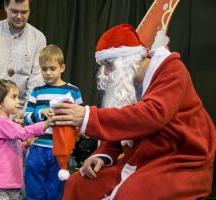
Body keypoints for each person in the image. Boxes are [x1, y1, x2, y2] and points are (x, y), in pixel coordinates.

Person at [51, 24, 216, 199]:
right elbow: (121, 127)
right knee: (78, 184)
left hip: (178, 158)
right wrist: (103, 154)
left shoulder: (172, 71)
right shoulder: (128, 84)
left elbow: (152, 115)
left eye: (108, 64)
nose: (105, 72)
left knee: (128, 195)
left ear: (126, 59)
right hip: (141, 157)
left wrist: (88, 116)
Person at [0, 0, 46, 144]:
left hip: (19, 107)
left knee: (16, 157)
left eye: (24, 12)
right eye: (14, 11)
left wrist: (27, 110)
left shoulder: (38, 38)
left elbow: (36, 78)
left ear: (30, 10)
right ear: (5, 8)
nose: (19, 16)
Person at [23, 44, 83, 200]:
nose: (48, 73)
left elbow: (81, 118)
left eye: (52, 68)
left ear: (62, 68)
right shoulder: (37, 91)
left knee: (55, 191)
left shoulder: (73, 91)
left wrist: (73, 138)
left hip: (60, 150)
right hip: (37, 148)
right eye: (44, 69)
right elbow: (26, 118)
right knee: (34, 190)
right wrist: (40, 113)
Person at [0, 79, 53, 199]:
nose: (18, 101)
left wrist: (25, 145)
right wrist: (44, 124)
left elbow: (10, 146)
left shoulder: (7, 123)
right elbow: (21, 133)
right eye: (14, 97)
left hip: (12, 185)